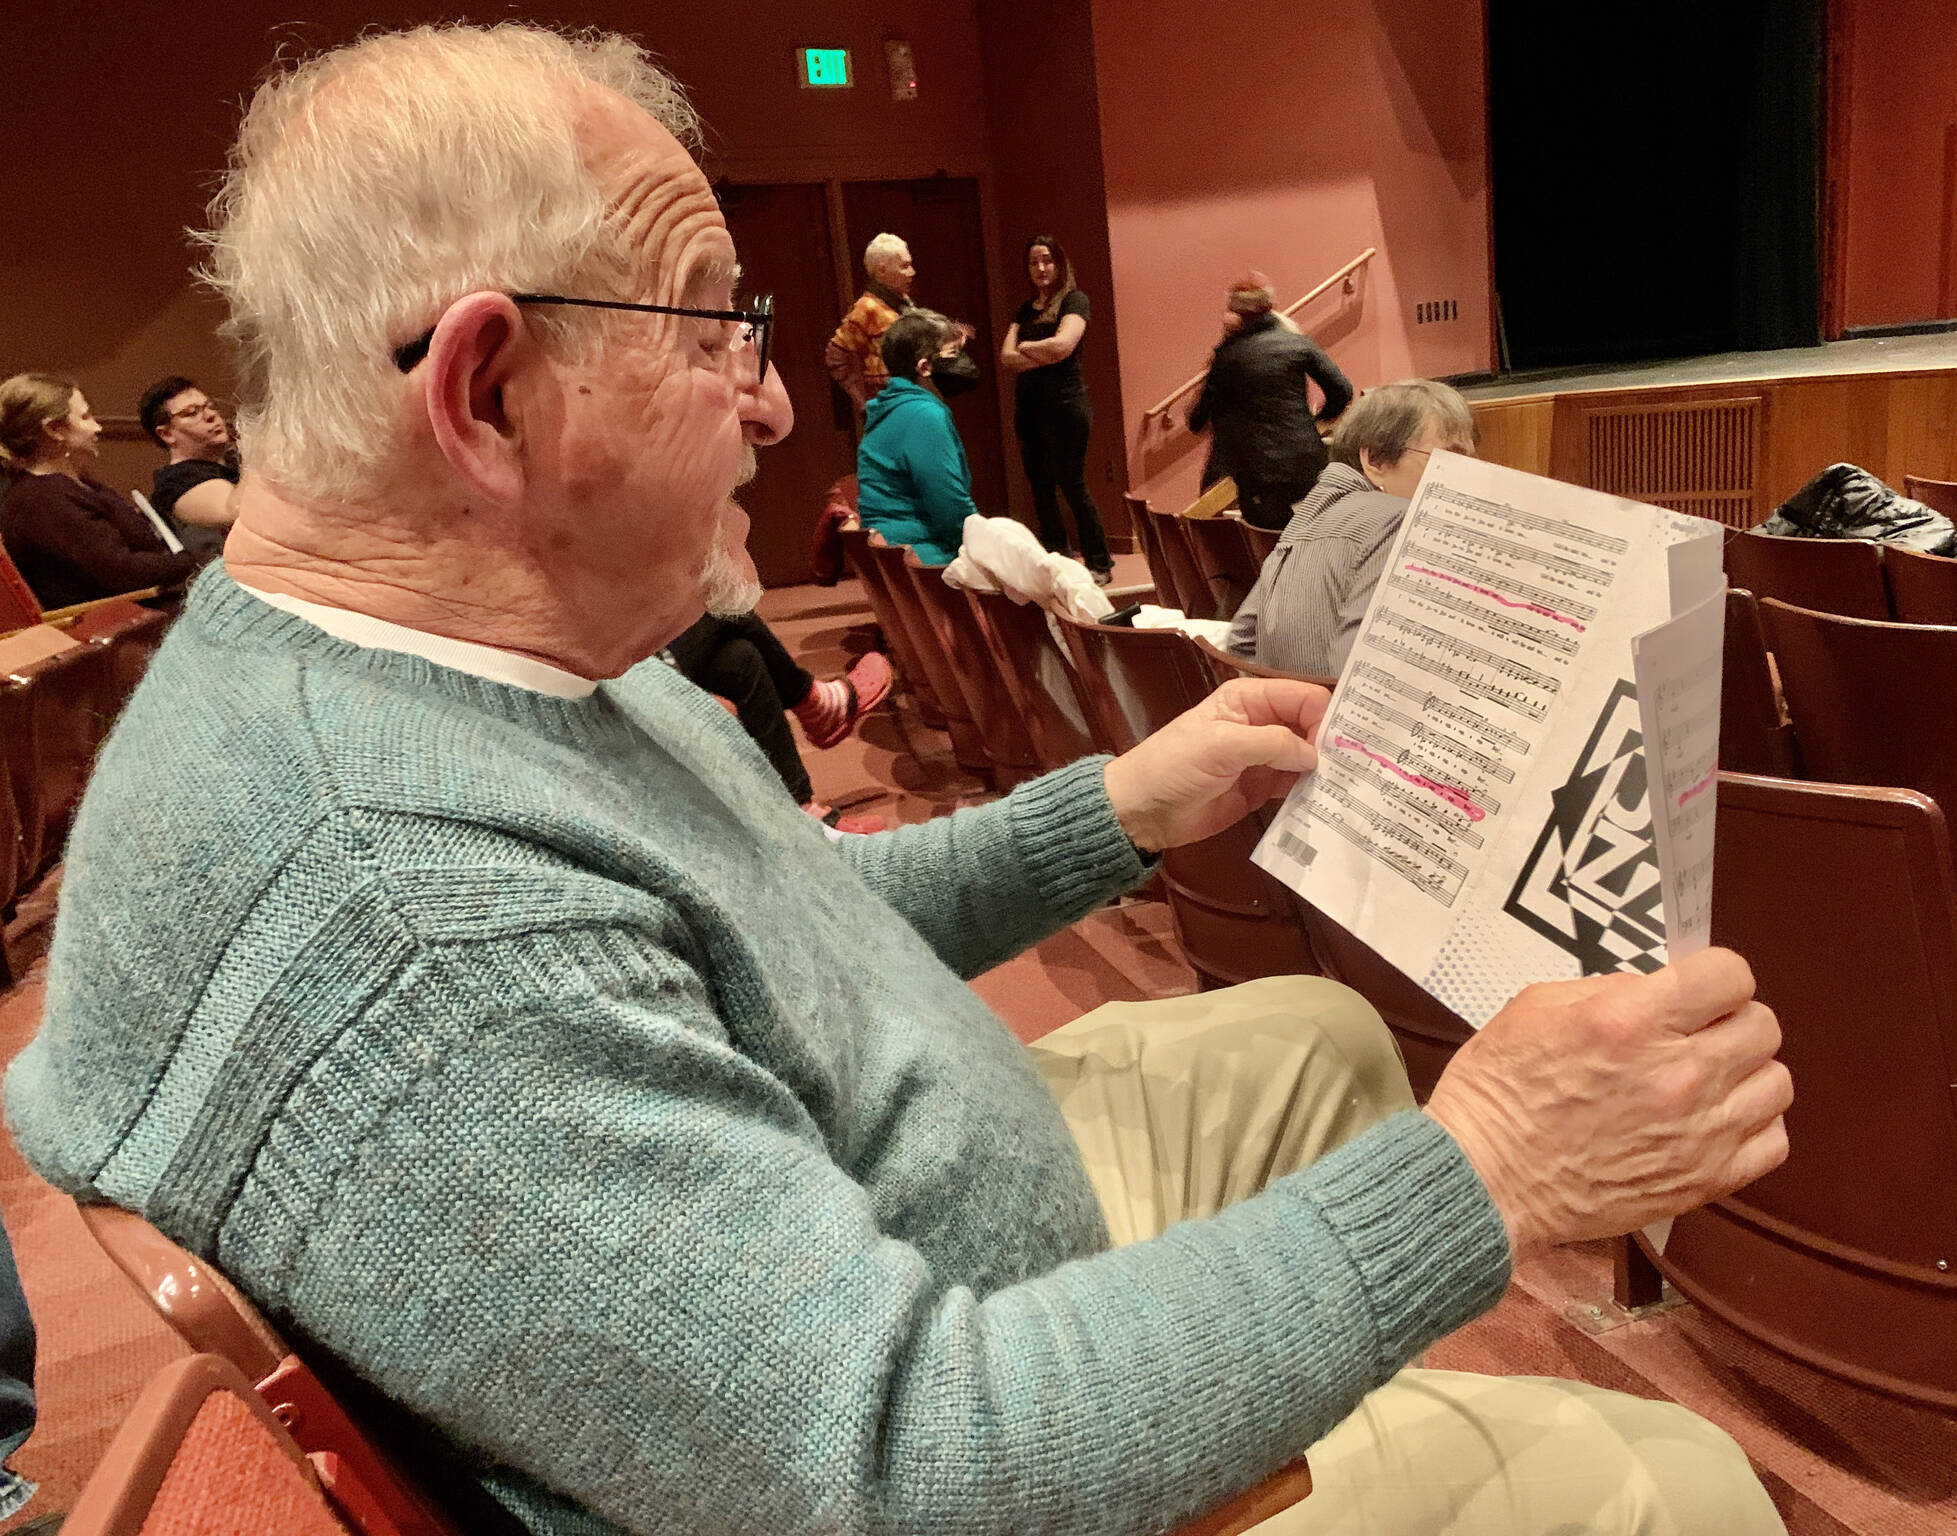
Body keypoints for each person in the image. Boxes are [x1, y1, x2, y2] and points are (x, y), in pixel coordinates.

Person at [5, 26, 1791, 1536]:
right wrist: (1485, 1173)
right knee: (1665, 1477)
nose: (779, 406)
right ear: (489, 395)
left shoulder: (458, 661)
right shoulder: (414, 928)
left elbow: (773, 921)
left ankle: (1300, 1385)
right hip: (950, 1418)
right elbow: (906, 1461)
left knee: (1322, 1042)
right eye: (715, 331)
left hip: (883, 1246)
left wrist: (1115, 811)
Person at [1229, 380, 1478, 677]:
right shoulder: (1399, 519)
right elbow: (1358, 670)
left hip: (1293, 705)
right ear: (1375, 460)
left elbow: (1241, 641)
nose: (1466, 479)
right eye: (1447, 459)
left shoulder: (1310, 516)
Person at [665, 610, 893, 830]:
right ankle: (814, 703)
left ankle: (798, 810)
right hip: (647, 676)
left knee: (739, 657)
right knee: (715, 603)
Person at [0, 374, 199, 609]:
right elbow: (122, 571)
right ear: (54, 429)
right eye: (85, 417)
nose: (97, 427)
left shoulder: (74, 486)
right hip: (124, 622)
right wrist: (192, 562)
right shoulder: (42, 500)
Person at [1186, 275, 1355, 530]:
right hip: (1305, 460)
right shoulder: (1299, 344)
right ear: (1270, 308)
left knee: (1266, 537)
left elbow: (1197, 418)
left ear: (1235, 314)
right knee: (1311, 532)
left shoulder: (1228, 355)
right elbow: (1342, 391)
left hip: (1254, 471)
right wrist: (1316, 421)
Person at [1001, 234, 1112, 584]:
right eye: (1033, 262)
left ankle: (1099, 562)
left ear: (1059, 263)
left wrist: (1028, 347)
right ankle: (1058, 558)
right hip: (1030, 408)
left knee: (1071, 483)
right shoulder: (1025, 310)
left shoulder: (1075, 300)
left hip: (1065, 406)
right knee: (1041, 487)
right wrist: (1044, 351)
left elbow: (1064, 345)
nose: (1041, 268)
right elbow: (1007, 358)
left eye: (1047, 260)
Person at [854, 308, 982, 566]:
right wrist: (986, 548)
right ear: (925, 367)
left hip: (901, 552)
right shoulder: (923, 414)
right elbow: (949, 507)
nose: (961, 361)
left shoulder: (891, 406)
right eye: (953, 354)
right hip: (924, 557)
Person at [138, 376, 239, 562]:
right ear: (166, 434)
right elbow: (237, 511)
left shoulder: (235, 460)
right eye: (192, 413)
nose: (210, 415)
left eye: (210, 406)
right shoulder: (175, 483)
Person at [824, 232, 914, 425]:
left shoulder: (903, 304)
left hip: (911, 395)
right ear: (882, 271)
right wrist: (861, 400)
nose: (911, 272)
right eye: (904, 266)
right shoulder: (867, 309)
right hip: (887, 402)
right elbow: (835, 356)